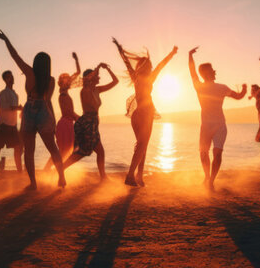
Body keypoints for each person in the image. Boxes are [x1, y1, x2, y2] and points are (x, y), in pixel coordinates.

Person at [0, 30, 66, 190]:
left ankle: (33, 183)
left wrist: (6, 39)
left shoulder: (29, 72)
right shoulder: (51, 80)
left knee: (29, 150)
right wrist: (53, 122)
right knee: (52, 148)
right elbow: (48, 101)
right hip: (44, 112)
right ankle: (61, 177)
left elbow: (15, 55)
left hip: (30, 111)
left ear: (36, 63)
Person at [113, 37, 177, 187]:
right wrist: (172, 53)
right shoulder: (149, 77)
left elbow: (126, 62)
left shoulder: (135, 77)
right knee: (142, 145)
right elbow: (162, 65)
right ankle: (130, 176)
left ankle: (139, 177)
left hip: (136, 115)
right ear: (147, 66)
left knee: (142, 145)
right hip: (146, 113)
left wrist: (119, 48)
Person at [189, 47, 247, 190]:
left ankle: (211, 181)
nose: (214, 71)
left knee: (217, 152)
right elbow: (192, 72)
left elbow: (238, 97)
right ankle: (207, 177)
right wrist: (190, 56)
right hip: (206, 125)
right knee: (203, 153)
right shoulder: (199, 86)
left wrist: (244, 91)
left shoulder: (222, 87)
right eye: (211, 69)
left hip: (220, 125)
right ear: (205, 73)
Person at [63, 63, 119, 182]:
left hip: (93, 125)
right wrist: (98, 67)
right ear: (90, 78)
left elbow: (115, 81)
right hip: (87, 125)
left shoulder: (97, 89)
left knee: (98, 152)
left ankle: (103, 177)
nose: (98, 77)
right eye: (96, 75)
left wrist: (107, 68)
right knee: (83, 153)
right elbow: (88, 78)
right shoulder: (85, 90)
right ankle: (61, 169)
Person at [44, 53, 82, 173]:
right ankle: (50, 169)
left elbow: (77, 72)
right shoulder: (63, 94)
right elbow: (68, 112)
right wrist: (79, 118)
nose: (70, 81)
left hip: (67, 123)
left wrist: (76, 60)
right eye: (66, 80)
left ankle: (54, 169)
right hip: (65, 124)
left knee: (65, 150)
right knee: (62, 151)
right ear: (62, 83)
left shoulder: (65, 92)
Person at [0, 70, 23, 177]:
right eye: (9, 77)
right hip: (3, 124)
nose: (11, 78)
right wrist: (18, 108)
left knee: (18, 148)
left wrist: (19, 110)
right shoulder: (3, 93)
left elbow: (14, 109)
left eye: (12, 76)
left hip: (13, 125)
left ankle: (19, 171)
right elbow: (3, 108)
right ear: (5, 80)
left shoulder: (15, 94)